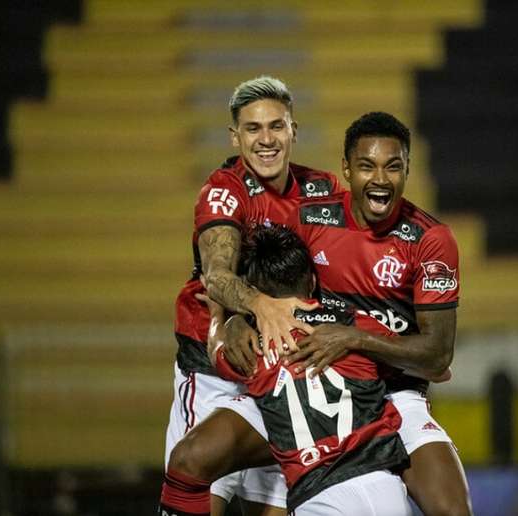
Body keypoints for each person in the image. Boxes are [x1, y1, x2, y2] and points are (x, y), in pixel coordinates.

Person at [159, 76, 342, 516]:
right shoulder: (225, 191)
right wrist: (257, 307)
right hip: (216, 376)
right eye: (253, 128)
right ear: (235, 136)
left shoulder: (324, 192)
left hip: (284, 377)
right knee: (200, 489)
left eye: (276, 126)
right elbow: (216, 276)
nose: (266, 139)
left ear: (293, 131)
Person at [284, 112, 473, 516]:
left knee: (454, 510)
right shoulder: (310, 221)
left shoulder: (431, 240)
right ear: (347, 169)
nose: (380, 180)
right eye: (367, 166)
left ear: (407, 169)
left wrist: (353, 338)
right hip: (328, 392)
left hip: (397, 395)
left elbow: (438, 354)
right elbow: (272, 290)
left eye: (393, 166)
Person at [203, 224, 413, 515]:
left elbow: (215, 351)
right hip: (382, 483)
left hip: (317, 489)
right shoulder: (357, 324)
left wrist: (220, 313)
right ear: (312, 282)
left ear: (258, 293)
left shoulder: (253, 345)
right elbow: (415, 361)